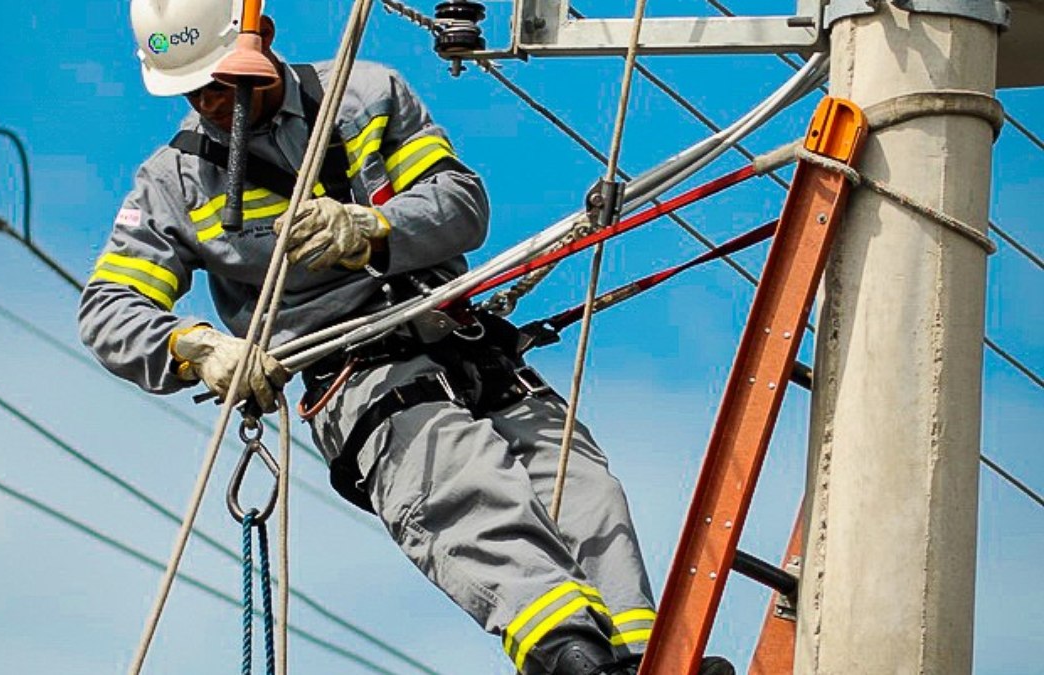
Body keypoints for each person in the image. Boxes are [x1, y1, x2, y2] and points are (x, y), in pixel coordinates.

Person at [80, 2, 733, 674]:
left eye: (222, 82)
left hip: (462, 337)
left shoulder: (367, 95)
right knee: (467, 484)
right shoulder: (176, 181)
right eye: (194, 90)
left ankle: (647, 656)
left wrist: (374, 229)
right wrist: (197, 346)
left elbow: (462, 204)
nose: (213, 103)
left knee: (588, 494)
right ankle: (571, 657)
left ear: (262, 40)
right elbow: (108, 307)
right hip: (358, 375)